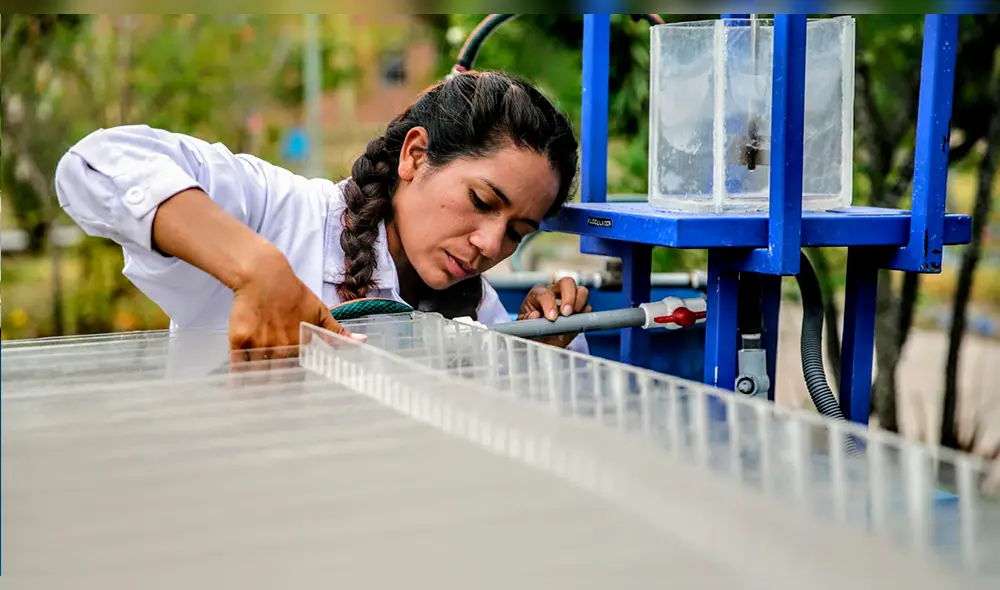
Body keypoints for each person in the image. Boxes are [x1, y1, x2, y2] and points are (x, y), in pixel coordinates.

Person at [54, 70, 592, 358]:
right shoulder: (278, 213)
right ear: (415, 156)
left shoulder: (482, 314)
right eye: (481, 201)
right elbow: (94, 163)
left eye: (517, 233)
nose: (490, 245)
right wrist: (254, 268)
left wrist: (542, 353)